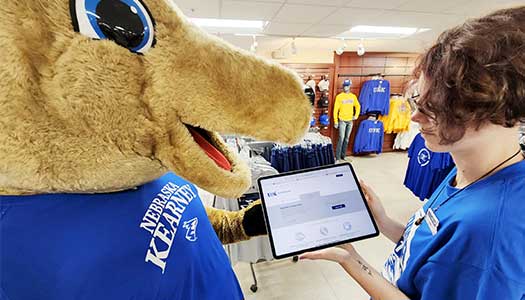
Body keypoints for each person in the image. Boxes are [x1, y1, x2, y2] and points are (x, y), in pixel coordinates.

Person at [301, 6, 525, 299]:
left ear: (494, 110)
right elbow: (428, 249)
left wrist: (351, 261)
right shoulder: (469, 171)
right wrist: (382, 220)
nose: (415, 118)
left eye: (435, 108)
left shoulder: (488, 233)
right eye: (419, 101)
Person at [334, 79, 361, 161]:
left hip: (350, 121)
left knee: (346, 139)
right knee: (341, 138)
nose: (345, 87)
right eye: (344, 86)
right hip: (342, 120)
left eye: (347, 85)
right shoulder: (339, 97)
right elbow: (335, 109)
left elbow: (358, 106)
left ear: (350, 86)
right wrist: (336, 121)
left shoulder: (353, 97)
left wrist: (356, 115)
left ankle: (343, 156)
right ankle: (337, 157)